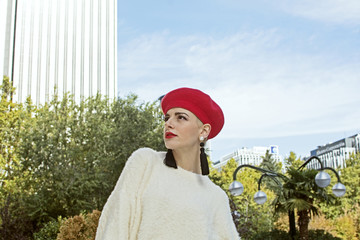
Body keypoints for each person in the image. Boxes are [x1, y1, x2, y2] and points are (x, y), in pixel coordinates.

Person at [95, 87, 240, 240]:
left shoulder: (217, 196)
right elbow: (115, 226)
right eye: (167, 118)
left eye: (181, 117)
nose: (169, 123)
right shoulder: (145, 162)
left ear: (203, 131)